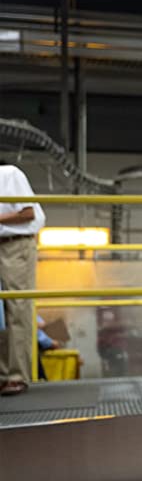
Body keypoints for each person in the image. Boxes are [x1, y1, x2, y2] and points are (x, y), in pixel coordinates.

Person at [0, 162, 45, 396]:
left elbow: (27, 213)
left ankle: (17, 376)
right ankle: (3, 374)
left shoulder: (9, 174)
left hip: (15, 245)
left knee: (18, 308)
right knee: (1, 314)